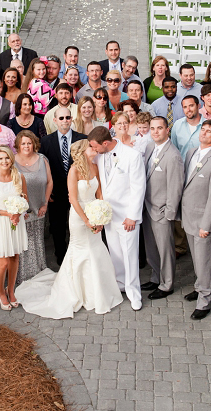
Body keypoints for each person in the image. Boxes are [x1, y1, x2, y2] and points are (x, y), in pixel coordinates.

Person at [15, 139, 124, 318]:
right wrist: (87, 221)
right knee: (81, 250)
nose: (94, 149)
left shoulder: (95, 167)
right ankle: (77, 292)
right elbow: (73, 199)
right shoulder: (73, 171)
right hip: (79, 216)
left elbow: (100, 193)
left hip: (95, 212)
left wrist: (101, 216)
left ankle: (98, 293)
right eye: (90, 147)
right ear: (82, 151)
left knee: (96, 250)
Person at [89, 126, 146, 311]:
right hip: (109, 216)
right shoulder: (99, 156)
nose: (94, 150)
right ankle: (120, 284)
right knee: (115, 253)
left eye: (95, 146)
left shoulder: (132, 156)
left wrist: (133, 216)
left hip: (127, 217)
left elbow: (139, 188)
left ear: (105, 143)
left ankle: (134, 292)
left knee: (130, 255)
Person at [180, 120, 211, 320]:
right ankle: (200, 286)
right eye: (203, 129)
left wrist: (207, 225)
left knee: (204, 260)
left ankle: (205, 301)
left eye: (210, 131)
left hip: (202, 222)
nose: (205, 133)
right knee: (197, 260)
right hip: (188, 217)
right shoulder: (191, 153)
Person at [0, 147, 29, 310]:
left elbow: (25, 201)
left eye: (7, 158)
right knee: (2, 263)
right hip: (0, 223)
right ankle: (1, 292)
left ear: (11, 159)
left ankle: (11, 290)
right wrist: (6, 213)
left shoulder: (19, 177)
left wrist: (18, 213)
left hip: (16, 222)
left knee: (15, 258)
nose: (4, 162)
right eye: (1, 159)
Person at [39, 105, 87, 265]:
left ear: (71, 119)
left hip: (78, 191)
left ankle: (78, 254)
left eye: (67, 117)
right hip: (56, 191)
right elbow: (42, 169)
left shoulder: (82, 139)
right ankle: (61, 255)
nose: (65, 121)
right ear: (55, 121)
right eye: (61, 118)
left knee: (78, 225)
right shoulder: (46, 141)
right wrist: (47, 190)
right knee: (57, 227)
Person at [142, 116, 183, 300]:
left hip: (161, 210)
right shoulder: (150, 147)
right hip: (147, 207)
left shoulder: (173, 155)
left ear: (167, 130)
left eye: (159, 128)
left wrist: (169, 213)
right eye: (152, 128)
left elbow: (175, 186)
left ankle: (167, 284)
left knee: (165, 249)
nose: (155, 132)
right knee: (151, 247)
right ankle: (156, 276)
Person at [14, 130, 52, 285]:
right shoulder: (12, 160)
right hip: (21, 211)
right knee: (23, 241)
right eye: (23, 143)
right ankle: (22, 275)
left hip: (39, 207)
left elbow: (49, 182)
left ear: (34, 143)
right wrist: (18, 209)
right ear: (18, 145)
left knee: (37, 240)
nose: (26, 146)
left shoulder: (42, 159)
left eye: (29, 143)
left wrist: (45, 203)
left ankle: (38, 271)